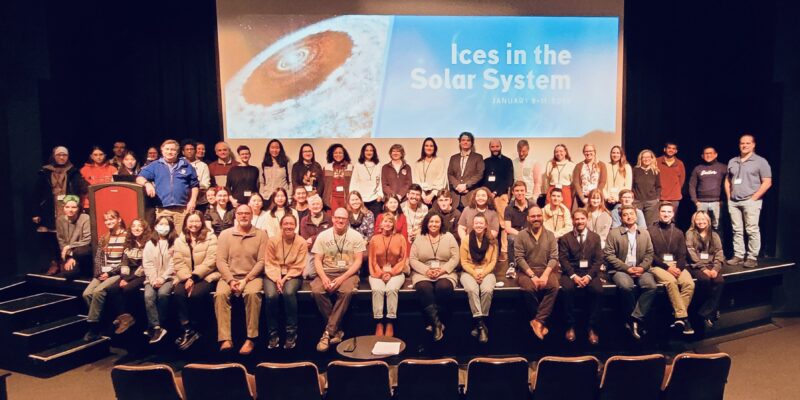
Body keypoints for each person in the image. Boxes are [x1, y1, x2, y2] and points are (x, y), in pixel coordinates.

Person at [215, 204, 268, 355]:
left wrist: (246, 280)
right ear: (236, 216)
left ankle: (251, 338)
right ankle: (225, 339)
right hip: (229, 276)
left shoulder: (261, 235)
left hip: (252, 277)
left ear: (252, 216)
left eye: (247, 213)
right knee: (220, 295)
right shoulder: (225, 235)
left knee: (252, 295)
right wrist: (231, 280)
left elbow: (262, 261)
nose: (244, 216)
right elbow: (220, 261)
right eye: (240, 213)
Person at [310, 208, 366, 352]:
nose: (340, 221)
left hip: (348, 273)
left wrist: (342, 278)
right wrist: (323, 278)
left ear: (348, 220)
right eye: (337, 218)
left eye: (344, 218)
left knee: (346, 291)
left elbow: (358, 262)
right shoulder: (323, 236)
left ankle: (328, 333)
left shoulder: (356, 236)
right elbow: (317, 260)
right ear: (333, 218)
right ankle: (337, 329)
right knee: (316, 291)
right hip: (327, 271)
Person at [604, 205, 656, 341]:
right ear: (621, 218)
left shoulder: (644, 232)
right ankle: (635, 321)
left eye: (631, 214)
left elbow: (650, 254)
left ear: (636, 216)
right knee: (626, 286)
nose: (629, 216)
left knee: (651, 286)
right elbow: (609, 255)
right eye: (625, 214)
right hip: (621, 269)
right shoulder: (614, 233)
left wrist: (642, 268)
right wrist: (627, 268)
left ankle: (635, 318)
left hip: (640, 269)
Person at [172, 211, 219, 350]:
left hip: (206, 275)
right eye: (191, 221)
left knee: (196, 294)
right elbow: (178, 262)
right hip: (186, 276)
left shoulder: (211, 237)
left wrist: (194, 277)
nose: (194, 224)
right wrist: (187, 278)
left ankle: (199, 328)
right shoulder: (179, 240)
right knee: (178, 293)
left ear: (202, 222)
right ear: (186, 223)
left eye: (197, 221)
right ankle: (187, 329)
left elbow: (212, 260)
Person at [410, 213, 460, 341]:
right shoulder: (419, 238)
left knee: (443, 286)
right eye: (431, 222)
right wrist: (426, 270)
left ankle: (436, 322)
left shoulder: (449, 237)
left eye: (436, 222)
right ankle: (437, 324)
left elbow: (455, 257)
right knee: (423, 287)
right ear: (426, 223)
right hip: (423, 271)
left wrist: (442, 270)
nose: (433, 224)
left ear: (441, 223)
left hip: (445, 271)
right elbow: (413, 259)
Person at [725, 133, 772, 268]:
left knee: (751, 229)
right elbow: (728, 181)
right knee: (737, 230)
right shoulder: (733, 161)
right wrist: (729, 197)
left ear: (753, 145)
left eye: (747, 143)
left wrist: (754, 198)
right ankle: (739, 255)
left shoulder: (760, 161)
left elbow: (767, 182)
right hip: (734, 201)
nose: (744, 145)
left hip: (750, 201)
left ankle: (752, 257)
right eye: (742, 143)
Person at [648, 202, 695, 335]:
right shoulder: (650, 231)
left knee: (689, 283)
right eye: (663, 211)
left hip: (676, 265)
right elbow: (650, 254)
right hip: (658, 265)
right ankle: (683, 318)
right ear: (659, 213)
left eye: (669, 212)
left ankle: (679, 317)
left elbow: (682, 254)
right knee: (671, 282)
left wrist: (678, 268)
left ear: (673, 214)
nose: (666, 214)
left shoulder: (679, 232)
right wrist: (667, 267)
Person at [558, 209, 604, 344]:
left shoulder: (595, 237)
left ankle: (591, 327)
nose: (579, 222)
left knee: (598, 291)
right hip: (571, 272)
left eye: (582, 219)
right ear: (572, 220)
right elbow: (563, 259)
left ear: (587, 219)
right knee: (567, 290)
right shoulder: (565, 238)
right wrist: (574, 276)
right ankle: (570, 325)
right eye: (577, 219)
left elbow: (598, 260)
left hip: (589, 272)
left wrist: (589, 276)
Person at [514, 206, 559, 340]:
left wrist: (545, 275)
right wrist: (532, 276)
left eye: (539, 216)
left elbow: (554, 258)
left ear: (542, 217)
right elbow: (519, 258)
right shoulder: (521, 235)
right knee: (528, 288)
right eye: (533, 216)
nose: (536, 219)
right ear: (528, 218)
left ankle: (537, 321)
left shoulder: (550, 235)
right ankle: (539, 321)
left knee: (554, 286)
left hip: (546, 270)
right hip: (526, 271)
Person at [263, 214, 307, 349]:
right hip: (273, 274)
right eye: (285, 223)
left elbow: (299, 265)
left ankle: (291, 333)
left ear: (295, 226)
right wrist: (277, 278)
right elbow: (269, 262)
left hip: (293, 274)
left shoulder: (301, 242)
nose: (288, 226)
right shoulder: (272, 241)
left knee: (288, 293)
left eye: (291, 224)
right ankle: (273, 333)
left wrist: (285, 278)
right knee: (271, 295)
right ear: (281, 225)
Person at [137, 139, 199, 232]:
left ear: (177, 152)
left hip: (182, 209)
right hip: (162, 209)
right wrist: (147, 184)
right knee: (163, 237)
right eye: (167, 149)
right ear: (162, 150)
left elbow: (194, 185)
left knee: (181, 238)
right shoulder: (155, 165)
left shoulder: (187, 166)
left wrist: (193, 200)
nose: (169, 152)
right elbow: (139, 178)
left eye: (173, 150)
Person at [83, 210, 126, 341]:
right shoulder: (104, 237)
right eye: (106, 220)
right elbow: (99, 258)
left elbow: (125, 262)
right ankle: (102, 321)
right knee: (87, 293)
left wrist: (110, 273)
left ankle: (93, 327)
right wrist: (99, 273)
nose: (109, 222)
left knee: (99, 291)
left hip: (117, 272)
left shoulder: (126, 237)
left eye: (111, 219)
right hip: (103, 273)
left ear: (119, 219)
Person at [368, 213, 408, 337]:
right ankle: (379, 322)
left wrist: (391, 272)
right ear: (381, 223)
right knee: (378, 290)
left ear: (393, 224)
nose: (388, 224)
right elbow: (372, 260)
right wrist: (381, 274)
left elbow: (403, 258)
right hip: (377, 272)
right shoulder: (374, 239)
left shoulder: (400, 238)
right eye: (385, 221)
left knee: (391, 289)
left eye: (390, 222)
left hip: (396, 272)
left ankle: (390, 322)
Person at [460, 214, 498, 343]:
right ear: (473, 225)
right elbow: (464, 262)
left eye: (481, 223)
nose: (478, 225)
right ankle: (481, 324)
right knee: (472, 289)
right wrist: (474, 273)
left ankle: (479, 325)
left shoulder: (492, 240)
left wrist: (483, 272)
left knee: (487, 290)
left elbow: (493, 262)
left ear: (486, 225)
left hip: (487, 271)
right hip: (469, 272)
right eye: (476, 223)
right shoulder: (466, 240)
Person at [107, 218, 149, 334]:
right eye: (134, 226)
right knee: (112, 289)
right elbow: (124, 262)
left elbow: (145, 265)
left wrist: (129, 280)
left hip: (143, 273)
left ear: (144, 228)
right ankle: (124, 317)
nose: (136, 228)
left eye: (139, 226)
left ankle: (133, 317)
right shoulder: (129, 241)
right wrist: (124, 278)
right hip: (129, 272)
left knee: (128, 288)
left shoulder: (149, 242)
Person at [686, 211, 725, 328]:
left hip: (712, 265)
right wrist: (703, 269)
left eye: (703, 219)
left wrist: (716, 269)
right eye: (698, 219)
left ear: (708, 221)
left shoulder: (714, 235)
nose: (701, 222)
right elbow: (690, 251)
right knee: (705, 280)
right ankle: (711, 310)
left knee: (719, 281)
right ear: (694, 221)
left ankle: (706, 312)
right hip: (696, 265)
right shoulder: (690, 233)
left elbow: (719, 252)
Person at [33, 146, 87, 232]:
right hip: (49, 209)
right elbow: (37, 194)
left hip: (68, 209)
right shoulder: (45, 172)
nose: (62, 157)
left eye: (64, 155)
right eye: (59, 155)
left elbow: (83, 189)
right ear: (53, 156)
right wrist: (36, 213)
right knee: (50, 239)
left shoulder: (73, 172)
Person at [142, 216, 177, 344]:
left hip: (169, 278)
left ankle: (159, 325)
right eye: (160, 224)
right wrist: (153, 280)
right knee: (149, 296)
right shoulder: (150, 243)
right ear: (156, 226)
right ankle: (156, 327)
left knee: (163, 294)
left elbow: (174, 263)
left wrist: (162, 278)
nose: (163, 227)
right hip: (152, 278)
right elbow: (147, 263)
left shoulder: (175, 242)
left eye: (166, 224)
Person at [688, 146, 727, 230]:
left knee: (717, 227)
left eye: (710, 153)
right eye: (706, 153)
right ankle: (702, 243)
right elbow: (692, 185)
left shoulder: (723, 168)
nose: (708, 155)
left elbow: (728, 185)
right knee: (701, 226)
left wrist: (723, 201)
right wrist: (695, 201)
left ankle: (717, 243)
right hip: (701, 202)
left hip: (717, 203)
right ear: (702, 156)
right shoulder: (697, 169)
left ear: (716, 155)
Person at [54, 195, 92, 277]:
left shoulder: (85, 218)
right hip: (69, 254)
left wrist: (69, 246)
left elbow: (88, 239)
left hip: (82, 253)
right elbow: (61, 241)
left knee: (81, 252)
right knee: (69, 274)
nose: (70, 210)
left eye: (74, 207)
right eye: (67, 207)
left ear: (78, 208)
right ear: (63, 207)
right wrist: (70, 256)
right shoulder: (60, 220)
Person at [447, 132, 485, 209]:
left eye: (468, 140)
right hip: (455, 196)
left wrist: (466, 186)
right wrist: (457, 186)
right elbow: (450, 174)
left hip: (470, 196)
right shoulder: (453, 158)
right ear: (460, 142)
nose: (465, 142)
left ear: (472, 143)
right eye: (463, 140)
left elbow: (480, 174)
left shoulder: (478, 157)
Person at [299, 195, 333, 277]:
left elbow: (329, 236)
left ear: (321, 206)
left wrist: (313, 238)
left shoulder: (329, 218)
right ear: (309, 207)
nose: (315, 206)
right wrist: (318, 239)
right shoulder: (304, 220)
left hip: (327, 250)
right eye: (313, 204)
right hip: (312, 251)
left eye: (318, 204)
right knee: (307, 274)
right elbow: (306, 241)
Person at [504, 181, 532, 276]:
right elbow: (508, 228)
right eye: (517, 191)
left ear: (526, 191)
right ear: (513, 192)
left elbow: (537, 224)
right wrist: (521, 235)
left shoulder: (532, 206)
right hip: (515, 233)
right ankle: (512, 266)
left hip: (530, 232)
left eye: (522, 190)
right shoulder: (508, 208)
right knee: (511, 238)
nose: (520, 193)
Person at [350, 143, 384, 217]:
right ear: (363, 152)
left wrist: (380, 195)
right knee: (362, 223)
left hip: (375, 199)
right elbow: (353, 182)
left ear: (374, 152)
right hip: (361, 200)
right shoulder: (358, 165)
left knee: (376, 222)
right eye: (367, 150)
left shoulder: (378, 165)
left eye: (371, 150)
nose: (369, 152)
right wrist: (353, 197)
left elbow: (381, 181)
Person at [413, 137, 448, 207]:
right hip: (421, 196)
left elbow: (441, 180)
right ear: (423, 147)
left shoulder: (439, 161)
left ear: (434, 148)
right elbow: (416, 180)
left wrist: (431, 196)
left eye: (431, 146)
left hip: (435, 196)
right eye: (426, 146)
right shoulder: (418, 163)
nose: (429, 148)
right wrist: (423, 196)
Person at [632, 149, 661, 227]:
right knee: (637, 224)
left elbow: (658, 186)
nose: (646, 159)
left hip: (651, 202)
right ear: (640, 159)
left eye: (648, 157)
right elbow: (632, 185)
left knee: (650, 225)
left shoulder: (655, 171)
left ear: (652, 158)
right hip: (637, 201)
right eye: (644, 157)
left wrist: (657, 198)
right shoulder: (635, 170)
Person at [542, 144, 576, 210]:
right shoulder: (550, 164)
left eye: (561, 151)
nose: (558, 153)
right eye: (556, 152)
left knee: (565, 211)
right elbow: (547, 180)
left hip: (566, 191)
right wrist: (547, 192)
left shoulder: (572, 165)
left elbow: (573, 183)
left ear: (565, 152)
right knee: (549, 211)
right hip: (552, 190)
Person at [573, 144, 607, 209]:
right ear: (583, 152)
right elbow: (576, 183)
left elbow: (603, 182)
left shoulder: (602, 165)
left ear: (594, 152)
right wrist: (582, 198)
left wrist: (595, 196)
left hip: (597, 199)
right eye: (586, 151)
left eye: (590, 151)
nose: (588, 153)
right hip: (583, 198)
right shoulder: (578, 166)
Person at [321, 144, 354, 211]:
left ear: (344, 154)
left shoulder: (350, 167)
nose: (338, 155)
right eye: (335, 153)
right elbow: (323, 185)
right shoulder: (327, 167)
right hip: (331, 199)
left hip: (345, 198)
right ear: (331, 154)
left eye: (340, 153)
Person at [657, 142, 686, 217]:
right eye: (669, 148)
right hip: (659, 197)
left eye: (673, 149)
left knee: (672, 218)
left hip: (674, 197)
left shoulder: (680, 163)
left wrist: (676, 190)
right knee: (658, 218)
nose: (671, 150)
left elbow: (682, 180)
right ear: (664, 149)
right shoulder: (657, 161)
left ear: (676, 151)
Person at [182, 140, 211, 212]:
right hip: (182, 202)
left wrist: (193, 187)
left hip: (199, 202)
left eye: (191, 149)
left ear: (195, 151)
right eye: (187, 149)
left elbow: (206, 184)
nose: (189, 151)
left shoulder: (203, 165)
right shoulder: (178, 164)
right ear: (183, 152)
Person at [260, 139, 291, 203]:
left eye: (277, 148)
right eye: (272, 148)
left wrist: (289, 195)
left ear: (280, 149)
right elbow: (261, 182)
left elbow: (291, 181)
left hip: (281, 197)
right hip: (267, 197)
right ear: (269, 149)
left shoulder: (286, 163)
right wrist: (262, 195)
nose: (275, 150)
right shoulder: (264, 164)